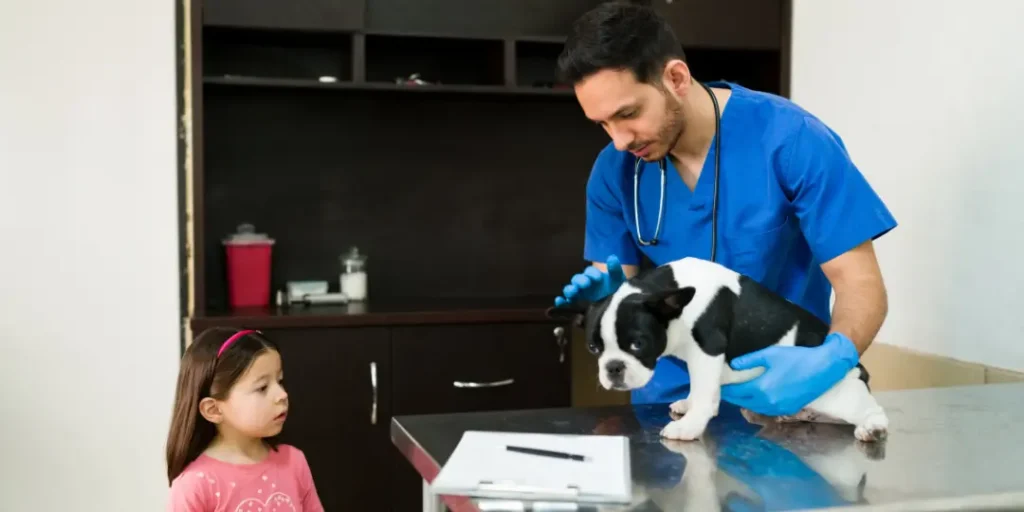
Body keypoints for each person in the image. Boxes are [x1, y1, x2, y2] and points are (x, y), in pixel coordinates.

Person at [553, 2, 897, 417]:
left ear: (676, 78)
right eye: (603, 124)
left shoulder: (791, 142)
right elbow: (620, 288)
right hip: (671, 402)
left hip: (786, 392)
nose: (620, 139)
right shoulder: (614, 171)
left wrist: (831, 361)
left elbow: (860, 284)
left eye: (628, 114)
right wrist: (605, 302)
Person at [165, 327, 323, 511]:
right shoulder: (195, 485)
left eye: (279, 381)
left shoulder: (294, 462)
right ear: (214, 409)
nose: (282, 395)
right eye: (262, 388)